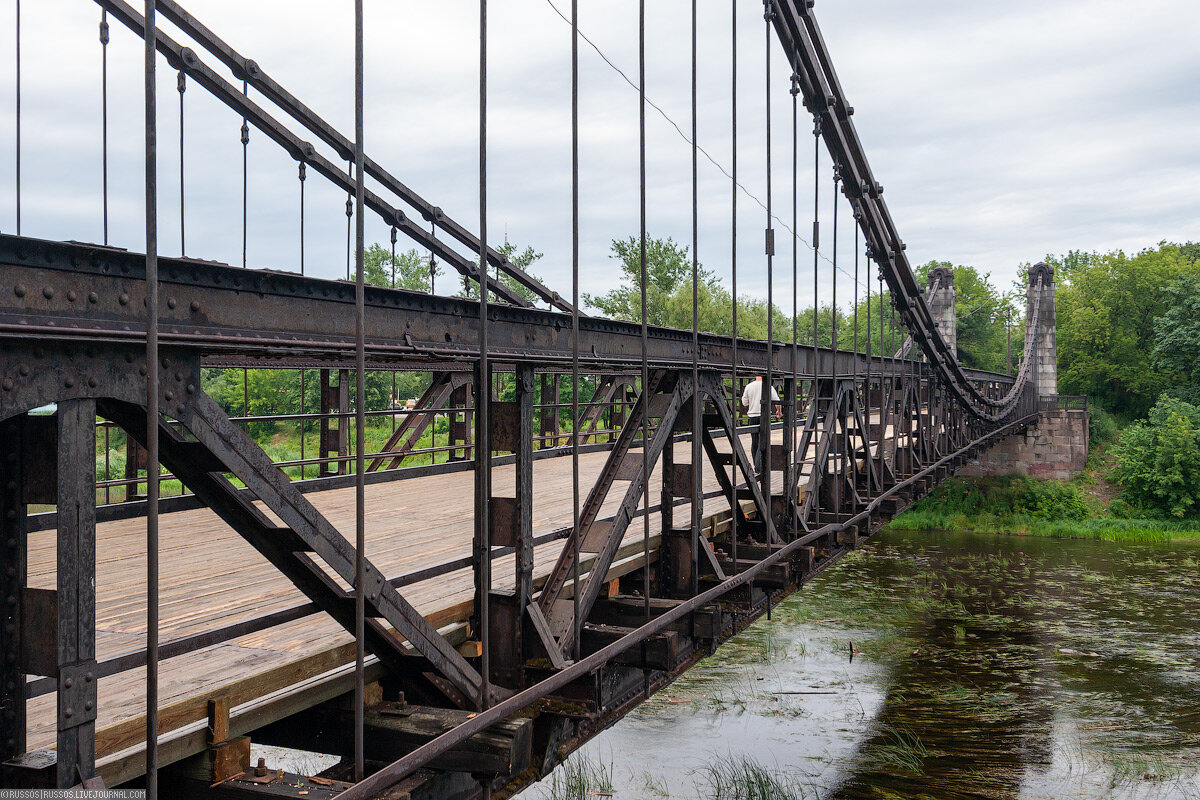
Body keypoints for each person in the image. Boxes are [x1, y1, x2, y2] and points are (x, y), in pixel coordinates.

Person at [740, 375, 781, 473]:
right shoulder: (768, 387)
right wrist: (779, 411)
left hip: (752, 417)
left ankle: (756, 464)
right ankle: (758, 467)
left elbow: (744, 402)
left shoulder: (749, 386)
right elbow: (777, 401)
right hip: (764, 417)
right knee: (763, 441)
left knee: (754, 442)